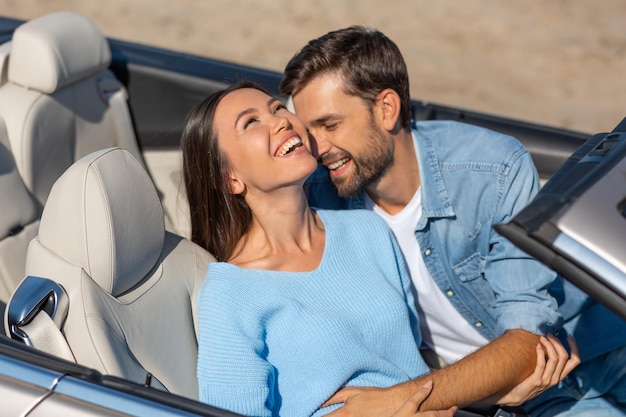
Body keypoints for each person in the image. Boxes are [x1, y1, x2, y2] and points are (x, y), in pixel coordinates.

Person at [280, 26, 626, 416]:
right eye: (308, 131)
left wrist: (396, 401)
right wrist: (469, 395)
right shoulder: (317, 198)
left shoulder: (491, 170)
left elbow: (526, 341)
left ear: (387, 109)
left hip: (602, 349)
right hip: (534, 398)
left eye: (330, 125)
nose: (318, 148)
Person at [181, 82, 571, 417]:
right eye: (251, 122)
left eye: (278, 107)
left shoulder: (366, 230)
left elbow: (410, 372)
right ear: (228, 178)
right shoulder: (230, 292)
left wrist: (494, 393)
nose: (281, 120)